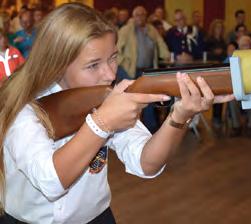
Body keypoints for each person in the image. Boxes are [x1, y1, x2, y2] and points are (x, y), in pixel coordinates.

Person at [0, 3, 233, 224]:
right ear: (57, 65)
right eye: (93, 65)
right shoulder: (24, 108)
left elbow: (146, 162)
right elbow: (50, 181)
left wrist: (180, 116)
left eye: (113, 58)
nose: (110, 75)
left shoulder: (102, 97)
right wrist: (101, 123)